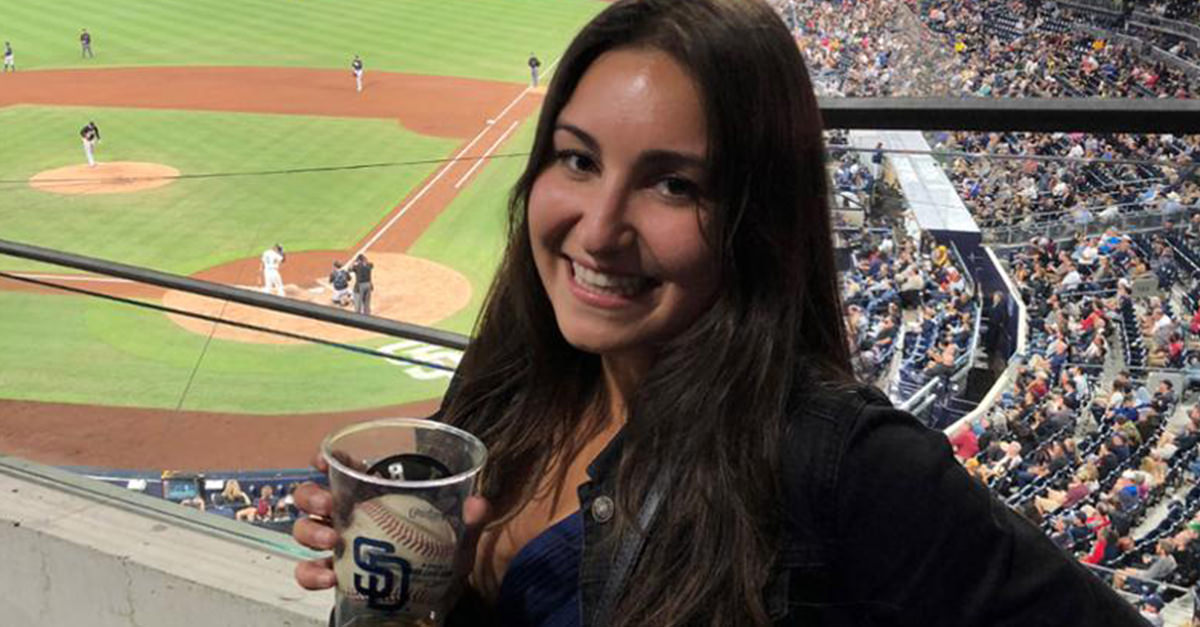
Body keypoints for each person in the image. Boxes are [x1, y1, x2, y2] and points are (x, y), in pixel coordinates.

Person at [291, 1, 1146, 625]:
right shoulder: (511, 381)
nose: (598, 230)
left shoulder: (845, 464)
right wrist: (386, 574)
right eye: (577, 159)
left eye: (674, 183)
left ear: (756, 217)